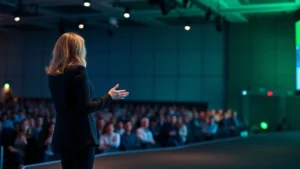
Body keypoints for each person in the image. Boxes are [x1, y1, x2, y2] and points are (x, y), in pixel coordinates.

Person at [46, 32, 129, 169]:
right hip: (81, 136)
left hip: (63, 134)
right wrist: (109, 96)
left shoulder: (53, 74)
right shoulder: (79, 70)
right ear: (77, 49)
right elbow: (85, 106)